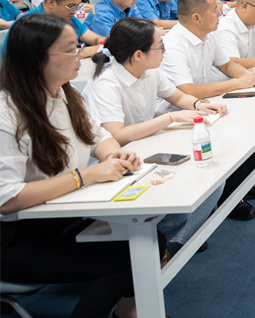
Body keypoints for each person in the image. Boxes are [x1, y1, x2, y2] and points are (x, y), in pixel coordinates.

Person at [0, 13, 175, 318]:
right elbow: (7, 199)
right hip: (15, 239)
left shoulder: (67, 95)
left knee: (151, 240)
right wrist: (86, 175)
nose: (80, 54)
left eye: (78, 46)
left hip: (63, 216)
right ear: (36, 58)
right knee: (125, 258)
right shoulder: (7, 113)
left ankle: (126, 312)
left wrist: (113, 155)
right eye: (70, 49)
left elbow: (98, 137)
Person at [84, 17, 225, 254]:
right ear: (139, 55)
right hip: (116, 161)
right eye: (160, 46)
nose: (164, 51)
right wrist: (170, 118)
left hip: (147, 148)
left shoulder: (150, 72)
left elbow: (178, 97)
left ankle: (171, 242)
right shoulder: (107, 82)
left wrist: (199, 104)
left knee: (213, 179)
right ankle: (159, 245)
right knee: (197, 182)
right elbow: (117, 135)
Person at [158, 0, 255, 220]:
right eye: (215, 10)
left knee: (249, 123)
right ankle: (228, 198)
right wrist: (237, 83)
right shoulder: (174, 44)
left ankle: (243, 186)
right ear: (196, 17)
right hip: (174, 117)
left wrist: (248, 76)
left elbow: (226, 65)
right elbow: (187, 91)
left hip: (202, 107)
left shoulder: (208, 36)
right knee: (232, 136)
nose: (221, 13)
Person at [6, 0, 104, 56]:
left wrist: (104, 42)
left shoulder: (67, 17)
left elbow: (95, 39)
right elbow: (63, 55)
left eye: (77, 6)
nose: (74, 11)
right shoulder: (27, 24)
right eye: (71, 6)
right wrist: (102, 47)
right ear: (51, 3)